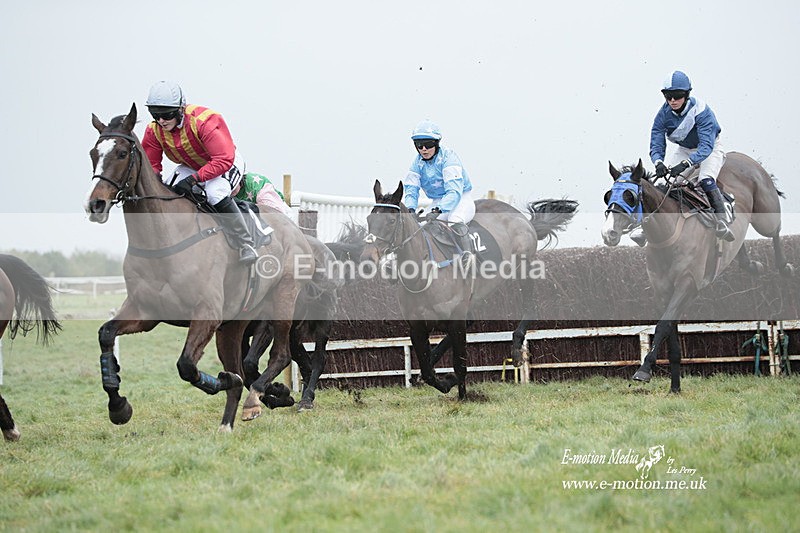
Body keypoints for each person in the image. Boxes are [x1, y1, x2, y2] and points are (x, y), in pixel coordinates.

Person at [141, 80, 258, 263]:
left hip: (225, 162)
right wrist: (154, 182)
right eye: (155, 115)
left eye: (166, 114)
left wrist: (194, 179)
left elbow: (223, 159)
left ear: (181, 109)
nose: (161, 121)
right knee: (167, 192)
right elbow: (152, 164)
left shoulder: (204, 121)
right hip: (192, 166)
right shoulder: (153, 130)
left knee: (214, 193)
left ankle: (246, 243)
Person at [649, 70, 734, 242]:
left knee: (705, 179)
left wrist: (686, 163)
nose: (672, 101)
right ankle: (649, 226)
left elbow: (706, 147)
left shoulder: (701, 110)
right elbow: (656, 141)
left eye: (677, 96)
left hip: (710, 148)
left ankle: (722, 221)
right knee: (664, 183)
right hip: (684, 149)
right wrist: (658, 162)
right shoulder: (663, 114)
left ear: (687, 95)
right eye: (668, 96)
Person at [403, 119, 476, 265]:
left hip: (461, 199)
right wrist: (410, 209)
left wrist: (438, 210)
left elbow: (454, 192)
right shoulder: (417, 162)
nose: (424, 149)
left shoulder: (449, 158)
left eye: (428, 144)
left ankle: (468, 257)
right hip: (438, 202)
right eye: (419, 145)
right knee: (418, 227)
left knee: (455, 219)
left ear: (436, 144)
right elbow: (411, 188)